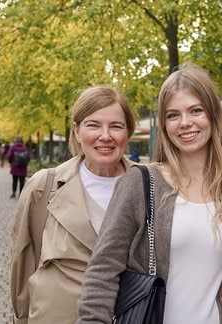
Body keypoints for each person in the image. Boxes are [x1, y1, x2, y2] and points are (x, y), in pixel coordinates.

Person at [78, 63, 222, 323]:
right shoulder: (140, 183)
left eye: (196, 110)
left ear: (214, 115)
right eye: (173, 115)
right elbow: (102, 271)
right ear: (163, 124)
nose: (185, 123)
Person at [10, 85, 136, 323]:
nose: (105, 135)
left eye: (116, 126)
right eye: (93, 125)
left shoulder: (150, 185)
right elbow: (23, 262)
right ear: (77, 132)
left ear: (127, 132)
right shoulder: (43, 186)